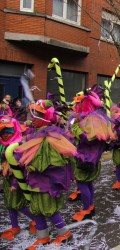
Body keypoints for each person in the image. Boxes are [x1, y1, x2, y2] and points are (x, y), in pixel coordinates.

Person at [10, 100, 77, 248]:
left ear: (46, 116)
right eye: (32, 114)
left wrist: (31, 164)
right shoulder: (35, 133)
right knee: (36, 208)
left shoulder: (52, 136)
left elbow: (53, 163)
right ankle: (43, 236)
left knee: (49, 209)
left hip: (46, 182)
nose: (32, 118)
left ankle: (64, 232)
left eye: (37, 114)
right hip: (33, 181)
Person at [70, 87, 116, 222]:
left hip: (87, 158)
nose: (78, 106)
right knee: (87, 182)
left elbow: (88, 138)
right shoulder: (93, 118)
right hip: (88, 156)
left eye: (80, 103)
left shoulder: (93, 120)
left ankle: (86, 209)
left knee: (82, 182)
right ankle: (89, 206)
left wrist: (75, 127)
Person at [0, 115, 36, 241]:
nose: (5, 134)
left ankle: (37, 221)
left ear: (15, 130)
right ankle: (15, 227)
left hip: (17, 181)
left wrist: (16, 183)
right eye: (2, 132)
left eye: (8, 131)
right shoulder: (2, 145)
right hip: (7, 180)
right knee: (9, 205)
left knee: (19, 204)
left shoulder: (17, 147)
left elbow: (22, 168)